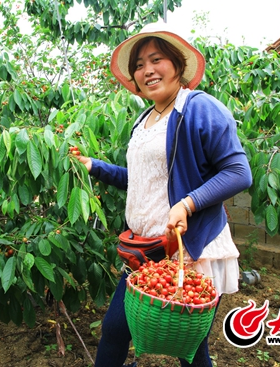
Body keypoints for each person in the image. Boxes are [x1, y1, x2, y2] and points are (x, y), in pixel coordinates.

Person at [75, 21, 252, 367]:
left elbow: (238, 172)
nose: (147, 70)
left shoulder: (199, 107)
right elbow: (143, 181)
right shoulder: (144, 119)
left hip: (188, 248)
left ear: (178, 65)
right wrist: (95, 166)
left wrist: (188, 203)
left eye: (156, 59)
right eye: (139, 65)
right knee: (114, 330)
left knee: (190, 348)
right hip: (146, 250)